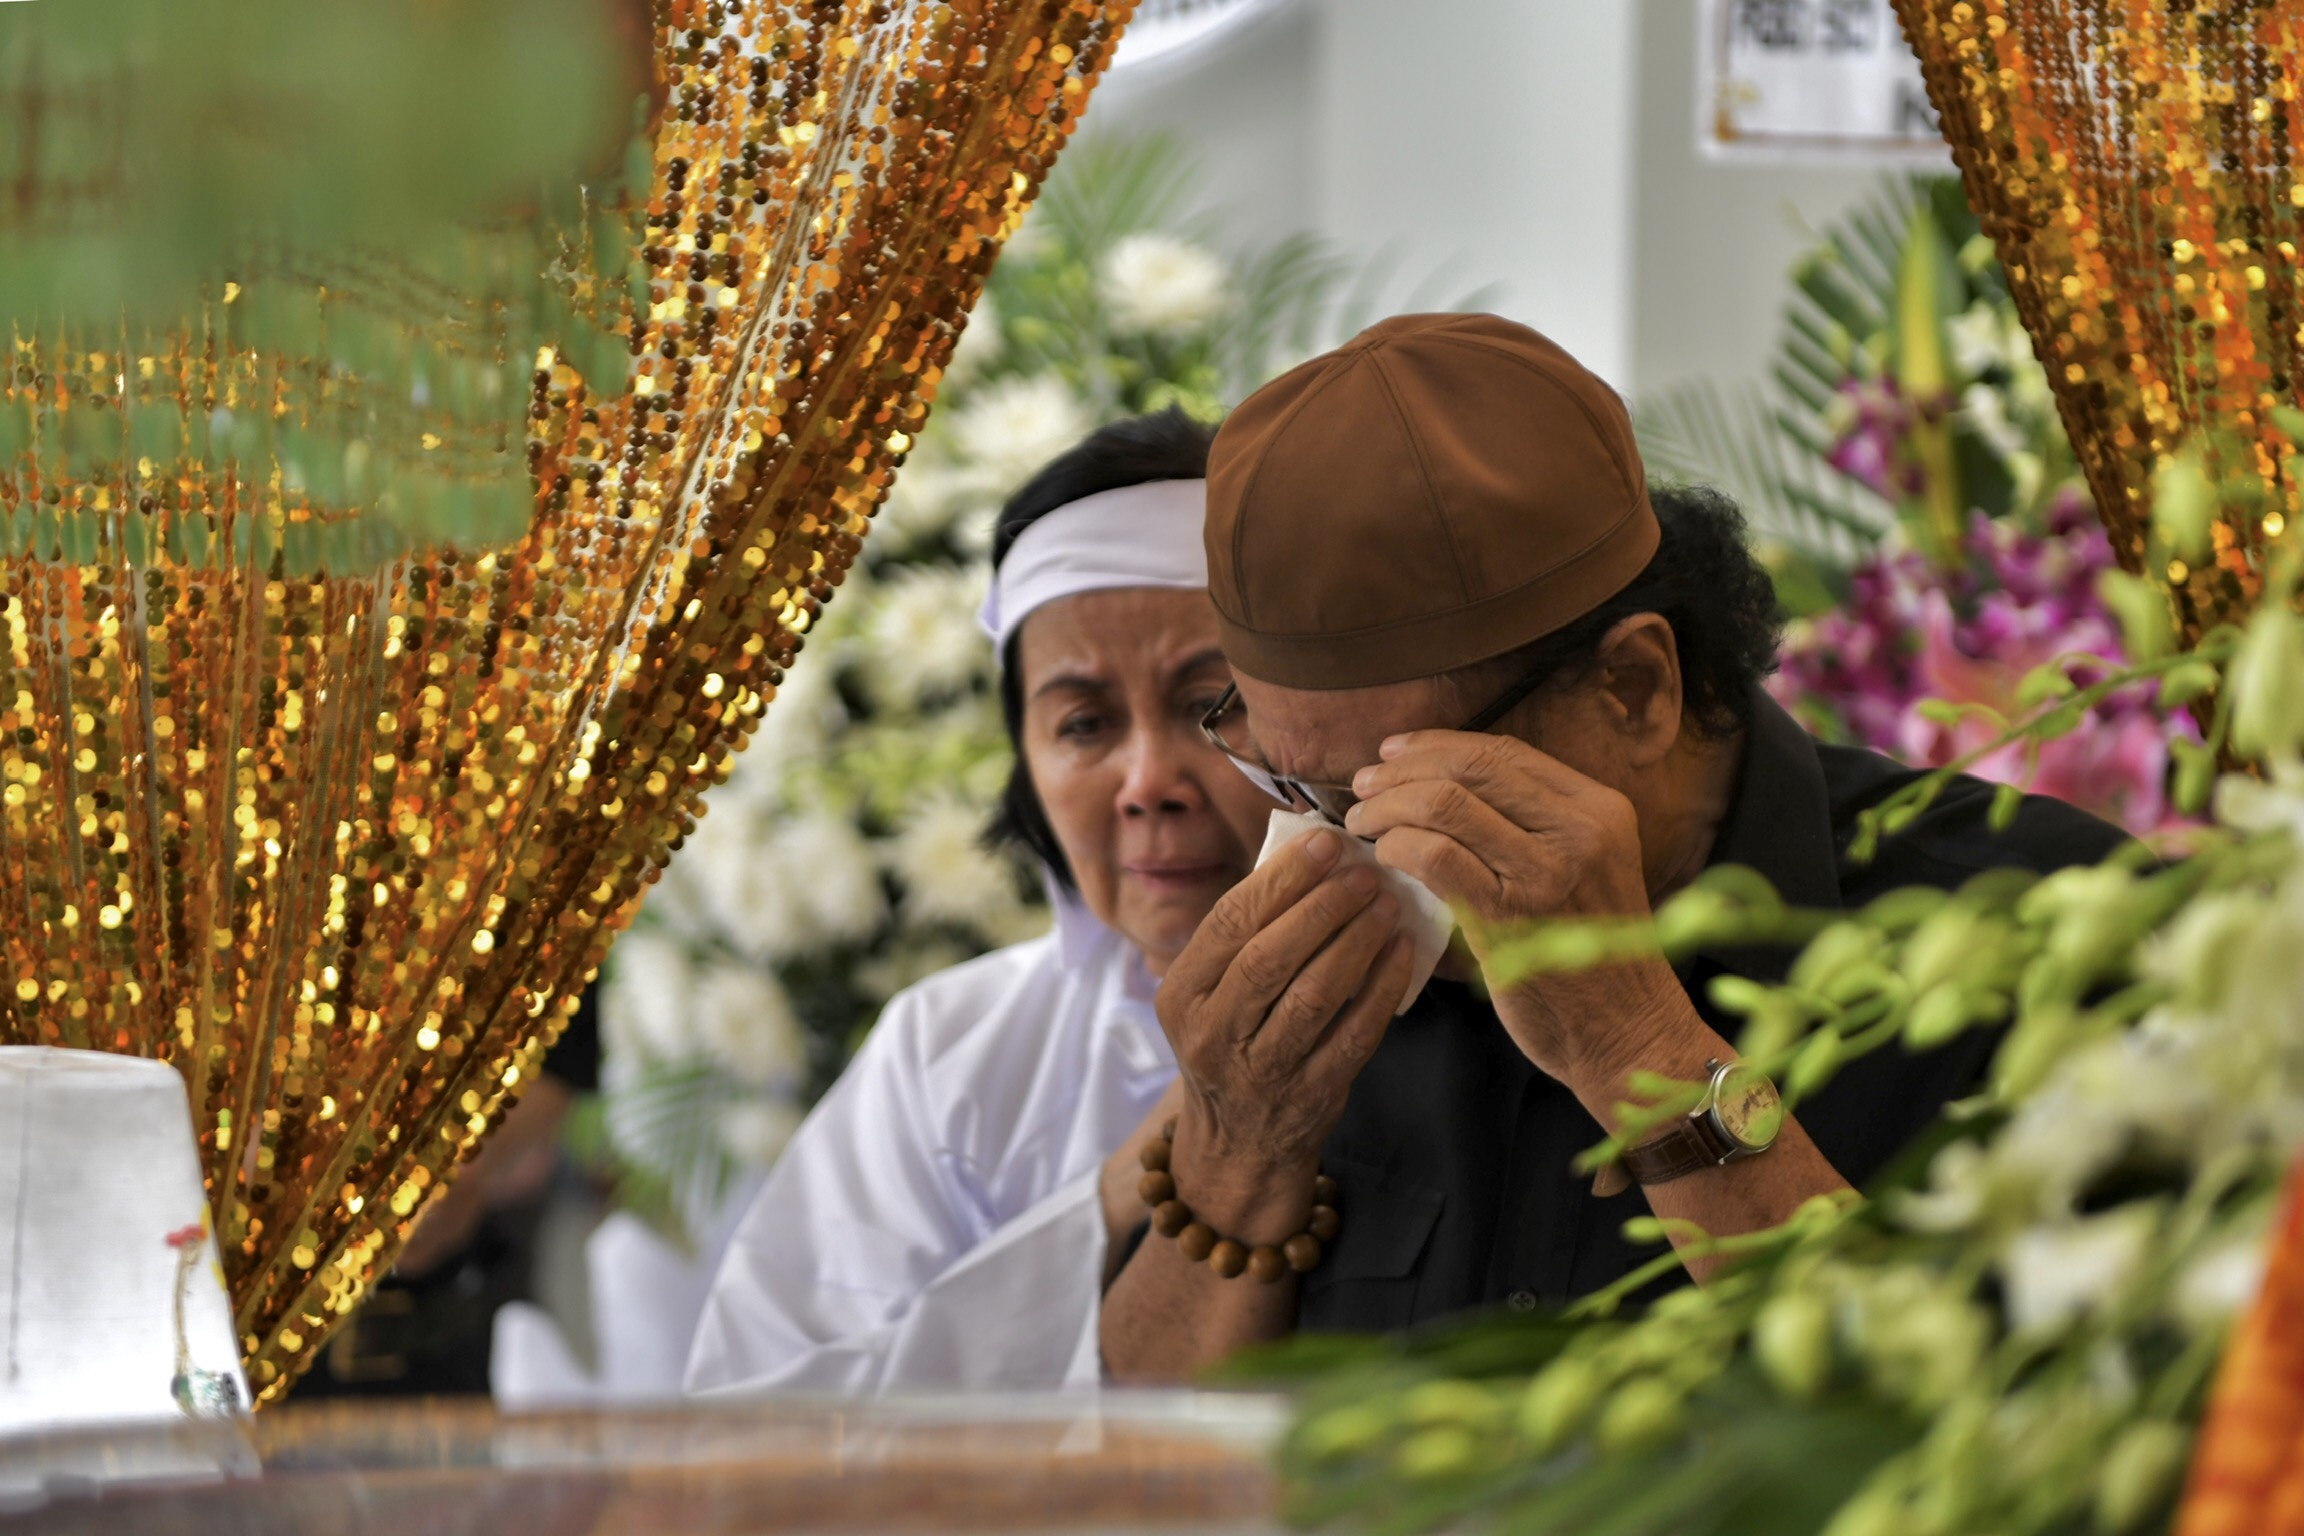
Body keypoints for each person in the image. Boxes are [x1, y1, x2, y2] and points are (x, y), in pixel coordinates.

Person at [1099, 314, 2132, 1380]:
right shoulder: (1323, 976)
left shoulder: (2047, 934)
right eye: (1288, 780)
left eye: (1392, 785)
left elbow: (2025, 1448)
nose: (1334, 841)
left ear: (1634, 687)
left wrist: (1639, 1047)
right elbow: (1140, 1458)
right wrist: (1238, 1147)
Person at [685, 410, 1278, 1394]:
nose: (1147, 781)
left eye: (1212, 705)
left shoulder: (1463, 1007)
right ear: (1025, 766)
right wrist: (1132, 1184)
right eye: (1084, 723)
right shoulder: (950, 1052)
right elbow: (755, 1441)